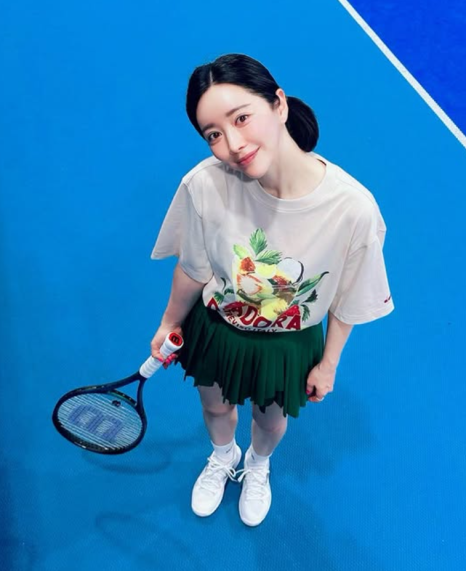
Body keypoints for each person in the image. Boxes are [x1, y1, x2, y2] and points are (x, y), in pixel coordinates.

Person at [149, 53, 394, 527]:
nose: (233, 144)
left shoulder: (353, 208)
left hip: (288, 342)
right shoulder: (204, 185)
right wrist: (169, 322)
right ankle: (223, 456)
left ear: (278, 104)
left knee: (270, 420)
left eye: (241, 118)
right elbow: (193, 268)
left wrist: (328, 364)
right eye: (213, 134)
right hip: (218, 327)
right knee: (214, 406)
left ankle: (257, 465)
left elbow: (349, 299)